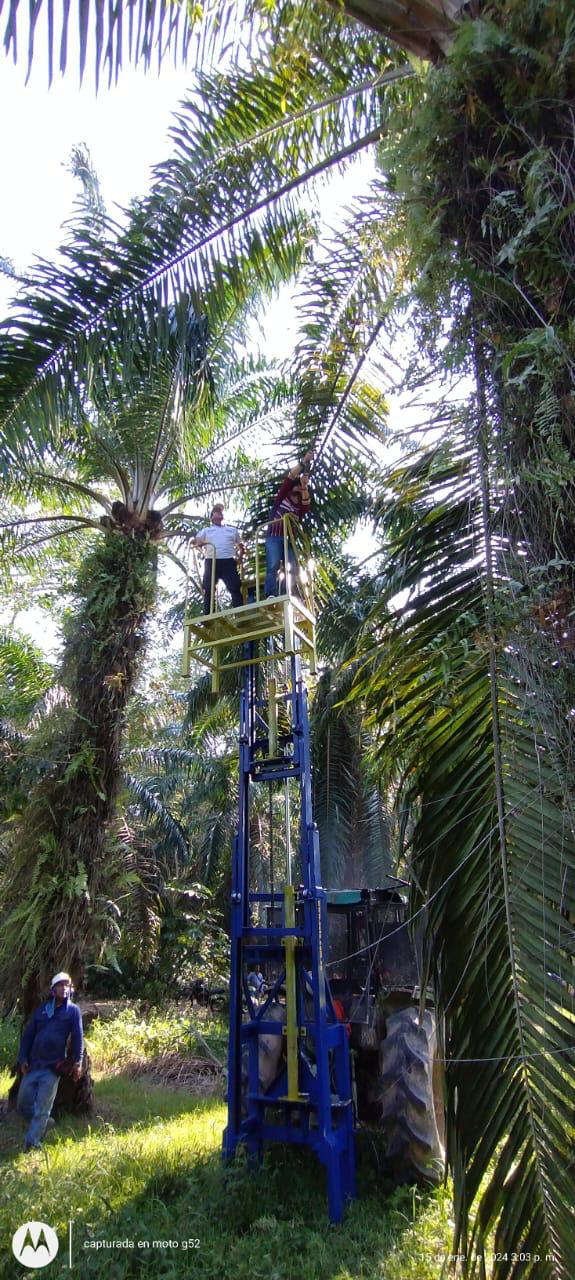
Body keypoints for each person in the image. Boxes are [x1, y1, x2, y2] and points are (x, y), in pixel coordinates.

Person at [16, 971, 84, 1151]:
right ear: (53, 990)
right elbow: (28, 1036)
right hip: (33, 1065)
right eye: (60, 985)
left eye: (67, 985)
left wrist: (78, 1062)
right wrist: (23, 1058)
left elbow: (78, 1037)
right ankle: (46, 1123)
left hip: (52, 1068)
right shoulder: (43, 1010)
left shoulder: (72, 1011)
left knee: (43, 1107)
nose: (64, 988)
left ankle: (33, 1142)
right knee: (23, 1104)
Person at [265, 451, 313, 597]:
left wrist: (305, 486)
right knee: (273, 566)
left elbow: (306, 503)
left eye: (301, 487)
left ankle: (286, 593)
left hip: (288, 539)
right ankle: (270, 593)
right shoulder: (283, 496)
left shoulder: (300, 507)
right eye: (297, 486)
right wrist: (304, 462)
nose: (298, 488)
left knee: (291, 567)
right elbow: (291, 475)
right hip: (274, 535)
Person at [193, 504, 244, 615]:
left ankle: (239, 613)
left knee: (235, 587)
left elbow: (240, 545)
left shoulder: (231, 530)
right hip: (212, 561)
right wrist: (199, 543)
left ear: (222, 516)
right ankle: (208, 614)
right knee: (209, 588)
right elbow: (196, 541)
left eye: (220, 512)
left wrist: (240, 557)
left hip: (228, 561)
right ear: (211, 517)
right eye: (215, 512)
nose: (218, 514)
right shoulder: (206, 531)